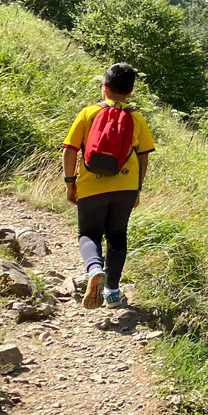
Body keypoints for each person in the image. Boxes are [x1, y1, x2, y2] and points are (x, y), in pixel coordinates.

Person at [61, 63, 155, 309]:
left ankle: (94, 269)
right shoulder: (136, 118)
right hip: (125, 186)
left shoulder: (88, 114)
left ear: (104, 88)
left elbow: (70, 149)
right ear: (131, 91)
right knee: (117, 236)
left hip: (92, 186)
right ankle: (112, 292)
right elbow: (143, 157)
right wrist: (137, 189)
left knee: (88, 233)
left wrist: (70, 183)